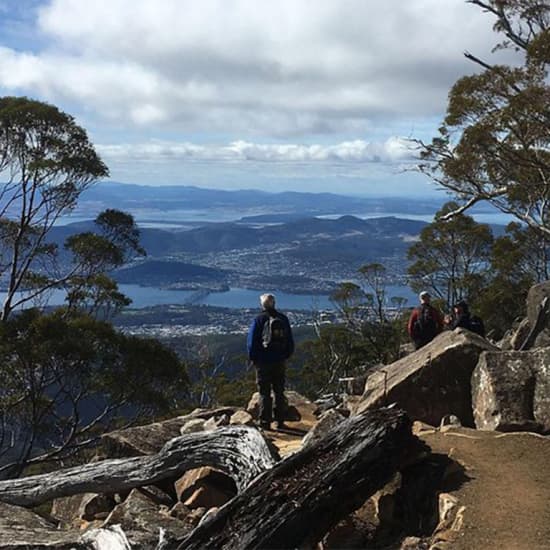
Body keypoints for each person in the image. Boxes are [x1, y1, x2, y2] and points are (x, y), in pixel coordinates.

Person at [247, 293, 294, 430]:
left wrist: (254, 358)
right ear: (274, 303)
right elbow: (290, 341)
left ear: (262, 304)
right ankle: (280, 420)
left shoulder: (259, 320)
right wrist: (285, 355)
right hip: (279, 361)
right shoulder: (283, 319)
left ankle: (265, 422)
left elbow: (251, 343)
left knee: (264, 393)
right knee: (279, 391)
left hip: (263, 362)